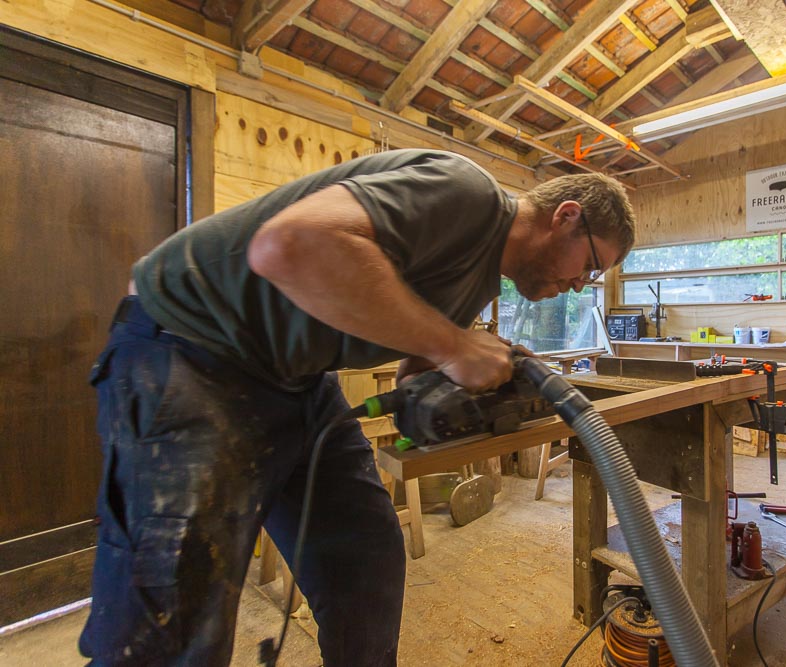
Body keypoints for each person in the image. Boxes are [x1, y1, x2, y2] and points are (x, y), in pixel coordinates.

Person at [79, 148, 636, 666]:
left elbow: (413, 351)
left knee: (364, 559)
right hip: (191, 349)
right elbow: (288, 244)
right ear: (565, 216)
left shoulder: (480, 277)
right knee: (176, 608)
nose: (579, 284)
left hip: (294, 379)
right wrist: (453, 346)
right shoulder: (466, 193)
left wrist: (448, 368)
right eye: (589, 265)